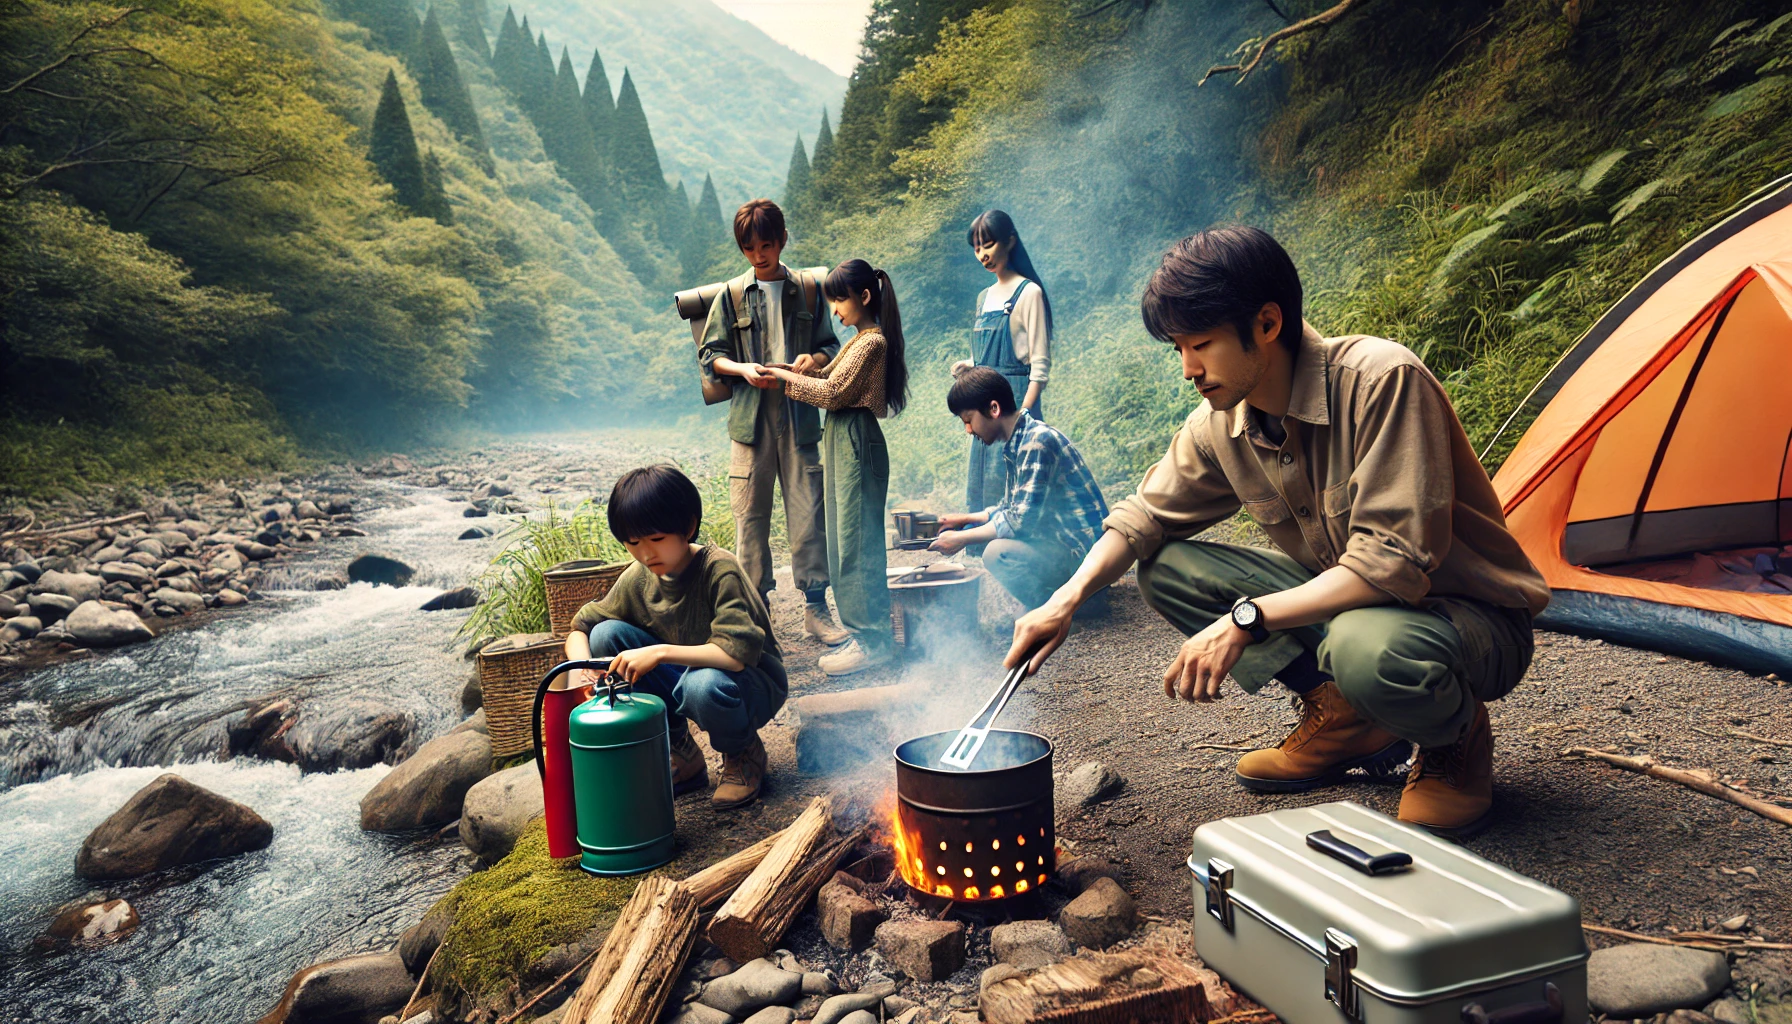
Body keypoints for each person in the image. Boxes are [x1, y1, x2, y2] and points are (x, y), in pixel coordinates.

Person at [1005, 227, 1549, 837]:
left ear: (1266, 323)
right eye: (1178, 349)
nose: (1188, 369)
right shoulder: (1221, 422)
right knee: (1169, 569)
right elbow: (1143, 518)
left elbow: (1390, 563)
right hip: (1355, 609)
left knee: (1365, 649)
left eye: (1202, 344)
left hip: (1465, 620)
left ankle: (1454, 740)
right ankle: (1346, 717)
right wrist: (1064, 600)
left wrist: (1245, 619)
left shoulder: (1382, 382)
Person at [565, 465, 785, 809]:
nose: (645, 554)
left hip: (750, 683)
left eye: (656, 540)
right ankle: (682, 752)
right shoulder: (639, 577)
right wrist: (585, 670)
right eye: (633, 543)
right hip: (691, 675)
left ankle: (743, 752)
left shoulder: (719, 569)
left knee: (702, 685)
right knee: (607, 635)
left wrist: (660, 652)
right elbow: (582, 627)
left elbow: (735, 656)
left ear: (688, 527)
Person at [697, 199, 850, 647]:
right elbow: (710, 356)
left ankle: (816, 609)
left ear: (781, 241)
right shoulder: (729, 295)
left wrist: (814, 359)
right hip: (750, 420)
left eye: (766, 244)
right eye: (750, 248)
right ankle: (756, 617)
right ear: (742, 249)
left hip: (799, 411)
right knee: (750, 516)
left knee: (809, 511)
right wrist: (743, 369)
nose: (759, 255)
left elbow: (829, 344)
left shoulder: (805, 290)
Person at [765, 260, 910, 677]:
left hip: (853, 437)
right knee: (842, 538)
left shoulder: (872, 342)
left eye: (839, 300)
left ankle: (873, 641)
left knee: (856, 542)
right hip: (842, 437)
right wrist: (798, 368)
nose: (835, 311)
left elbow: (832, 392)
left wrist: (781, 379)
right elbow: (828, 375)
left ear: (864, 297)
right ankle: (865, 635)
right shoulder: (860, 339)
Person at [931, 367, 1109, 614]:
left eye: (969, 420)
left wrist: (961, 539)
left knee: (997, 553)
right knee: (996, 539)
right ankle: (1060, 604)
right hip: (1067, 548)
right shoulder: (1020, 441)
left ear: (993, 409)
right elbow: (1011, 507)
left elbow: (1019, 522)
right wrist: (964, 520)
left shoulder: (1036, 442)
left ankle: (1063, 612)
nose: (969, 431)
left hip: (1087, 560)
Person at [953, 210, 1054, 513]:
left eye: (988, 244)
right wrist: (969, 366)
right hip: (984, 404)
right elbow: (986, 355)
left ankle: (1016, 554)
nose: (983, 254)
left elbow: (1039, 366)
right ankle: (980, 553)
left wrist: (1023, 413)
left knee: (1016, 483)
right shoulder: (983, 298)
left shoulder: (1029, 292)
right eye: (976, 248)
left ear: (1010, 241)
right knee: (986, 482)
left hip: (1014, 402)